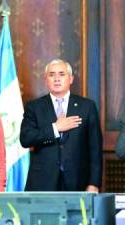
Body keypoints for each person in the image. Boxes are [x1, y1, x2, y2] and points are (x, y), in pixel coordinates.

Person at [20, 59, 103, 192]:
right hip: (43, 182)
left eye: (61, 74)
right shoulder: (34, 107)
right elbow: (26, 139)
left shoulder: (87, 106)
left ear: (71, 79)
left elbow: (95, 149)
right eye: (52, 75)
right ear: (46, 80)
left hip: (78, 180)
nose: (56, 79)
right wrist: (55, 128)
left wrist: (94, 183)